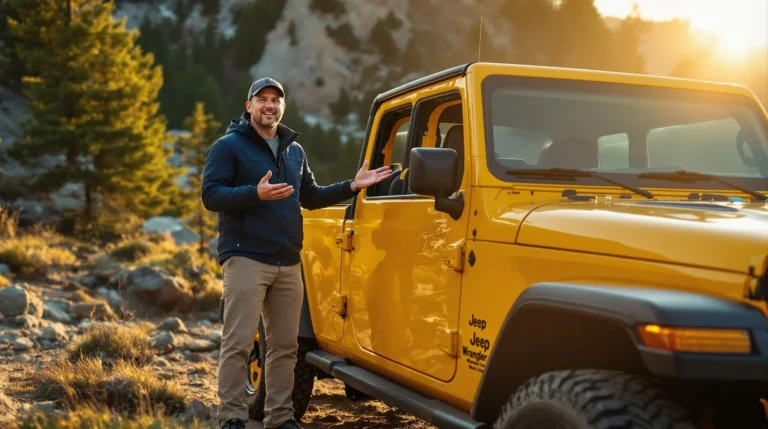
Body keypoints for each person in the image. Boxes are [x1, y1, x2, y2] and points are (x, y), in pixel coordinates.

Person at [202, 77, 392, 429]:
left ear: (282, 107)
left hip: (289, 262)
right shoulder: (228, 147)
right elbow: (210, 195)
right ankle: (231, 416)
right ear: (249, 106)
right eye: (262, 99)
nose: (269, 105)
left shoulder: (294, 150)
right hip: (246, 258)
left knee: (286, 348)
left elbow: (311, 196)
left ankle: (279, 417)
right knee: (239, 342)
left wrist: (353, 186)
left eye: (276, 100)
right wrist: (254, 193)